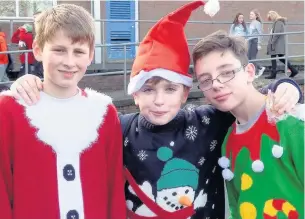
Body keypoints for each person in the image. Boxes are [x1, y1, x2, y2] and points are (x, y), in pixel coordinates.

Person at [8, 1, 303, 219]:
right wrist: (31, 82)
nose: (159, 100)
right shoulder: (114, 123)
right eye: (148, 90)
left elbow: (243, 101)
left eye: (170, 89)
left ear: (187, 92)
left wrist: (287, 86)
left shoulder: (209, 121)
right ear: (134, 93)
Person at [0, 4, 126, 219]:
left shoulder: (105, 112)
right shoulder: (10, 109)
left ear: (90, 55)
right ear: (38, 49)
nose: (69, 62)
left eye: (78, 52)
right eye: (59, 50)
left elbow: (114, 188)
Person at [193, 30, 304, 219]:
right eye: (205, 80)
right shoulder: (228, 142)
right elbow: (237, 207)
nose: (216, 84)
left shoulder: (292, 122)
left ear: (249, 72)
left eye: (226, 72)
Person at [266, 10, 299, 79]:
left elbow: (276, 34)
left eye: (270, 18)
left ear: (273, 16)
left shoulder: (278, 23)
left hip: (276, 44)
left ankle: (273, 74)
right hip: (277, 44)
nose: (270, 19)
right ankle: (293, 70)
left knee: (273, 57)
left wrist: (272, 42)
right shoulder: (279, 22)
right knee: (281, 58)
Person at [248, 9, 265, 77]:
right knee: (248, 57)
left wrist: (259, 44)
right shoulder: (252, 23)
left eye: (252, 14)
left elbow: (260, 33)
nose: (250, 15)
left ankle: (257, 71)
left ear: (256, 16)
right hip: (250, 40)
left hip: (255, 41)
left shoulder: (257, 23)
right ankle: (259, 68)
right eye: (250, 14)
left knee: (252, 57)